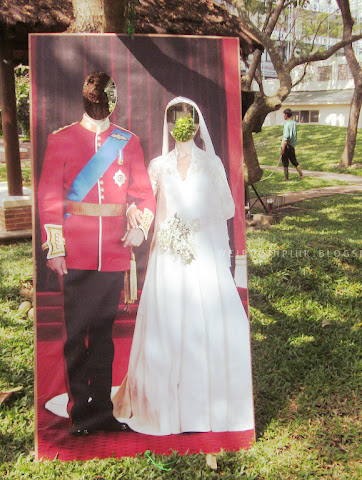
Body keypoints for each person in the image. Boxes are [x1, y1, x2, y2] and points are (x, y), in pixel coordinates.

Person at [112, 97, 255, 436]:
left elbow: (227, 207)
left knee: (202, 321)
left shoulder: (211, 163)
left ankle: (203, 405)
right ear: (169, 125)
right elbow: (146, 202)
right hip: (167, 254)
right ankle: (163, 404)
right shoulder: (158, 165)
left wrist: (194, 224)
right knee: (168, 322)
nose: (180, 124)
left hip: (201, 252)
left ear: (195, 123)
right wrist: (134, 214)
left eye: (186, 118)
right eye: (174, 118)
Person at [37, 71, 156, 436]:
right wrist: (55, 248)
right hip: (76, 253)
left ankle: (102, 411)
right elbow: (49, 196)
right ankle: (79, 414)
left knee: (103, 336)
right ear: (86, 100)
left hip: (113, 254)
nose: (102, 106)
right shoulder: (62, 139)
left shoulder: (127, 142)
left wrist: (139, 226)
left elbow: (144, 194)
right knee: (76, 336)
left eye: (107, 100)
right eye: (97, 100)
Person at [280, 108, 303, 180]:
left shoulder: (287, 125)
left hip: (286, 146)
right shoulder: (294, 123)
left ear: (286, 115)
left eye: (284, 114)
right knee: (294, 161)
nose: (283, 116)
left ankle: (286, 177)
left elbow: (286, 137)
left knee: (285, 162)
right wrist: (282, 137)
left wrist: (283, 149)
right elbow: (291, 134)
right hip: (292, 146)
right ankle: (301, 175)